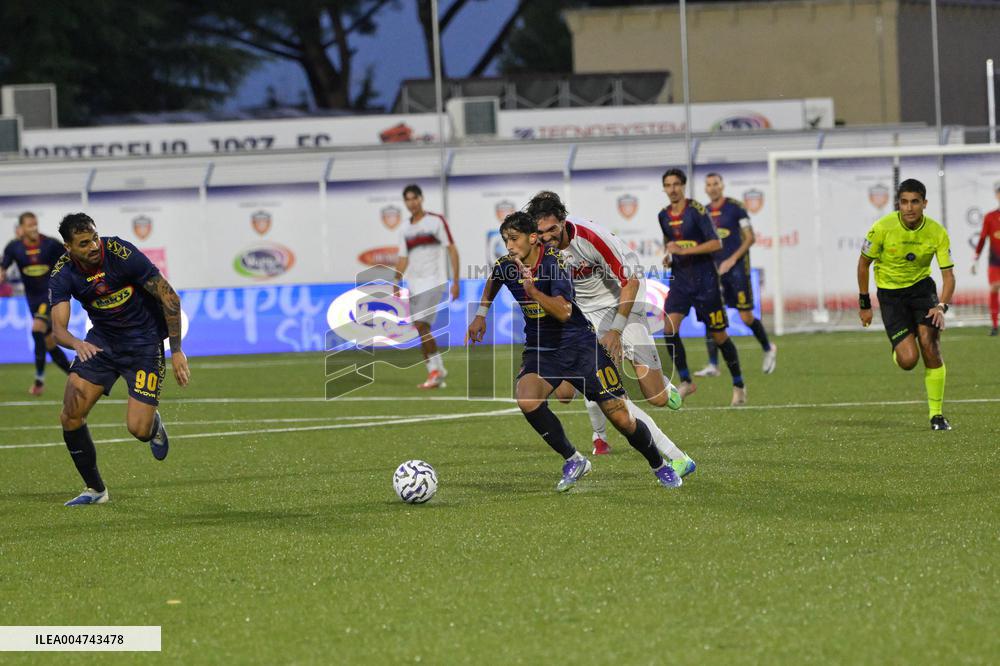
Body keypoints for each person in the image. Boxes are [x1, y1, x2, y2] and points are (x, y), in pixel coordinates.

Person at [467, 211, 682, 491]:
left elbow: (565, 312)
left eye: (514, 239)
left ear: (532, 239)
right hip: (541, 349)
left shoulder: (555, 264)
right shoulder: (508, 265)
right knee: (527, 399)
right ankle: (574, 459)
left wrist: (534, 293)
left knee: (621, 417)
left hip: (580, 346)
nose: (509, 246)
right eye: (505, 239)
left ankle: (659, 464)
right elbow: (494, 281)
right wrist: (481, 315)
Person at [526, 191, 695, 478]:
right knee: (588, 394)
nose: (546, 237)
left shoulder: (591, 238)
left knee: (654, 396)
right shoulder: (539, 249)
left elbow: (630, 281)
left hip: (623, 304)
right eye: (540, 232)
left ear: (563, 222)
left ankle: (664, 387)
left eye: (552, 229)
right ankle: (678, 458)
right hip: (584, 319)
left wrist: (616, 329)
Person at [49, 213, 191, 505]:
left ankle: (153, 426)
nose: (93, 246)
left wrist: (175, 350)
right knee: (70, 413)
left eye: (94, 238)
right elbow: (58, 329)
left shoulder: (121, 254)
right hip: (102, 343)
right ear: (69, 247)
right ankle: (95, 490)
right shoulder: (62, 272)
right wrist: (77, 343)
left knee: (138, 429)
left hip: (144, 344)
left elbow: (169, 297)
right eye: (84, 243)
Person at [857, 179, 954, 431]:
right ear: (898, 204)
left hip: (922, 292)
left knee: (930, 345)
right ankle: (900, 345)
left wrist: (941, 306)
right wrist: (864, 303)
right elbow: (863, 264)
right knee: (909, 360)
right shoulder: (881, 228)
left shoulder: (937, 232)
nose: (909, 208)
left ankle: (937, 415)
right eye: (904, 202)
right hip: (891, 296)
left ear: (924, 204)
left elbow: (948, 276)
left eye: (915, 202)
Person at [658, 168, 747, 406]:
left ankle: (739, 384)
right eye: (668, 185)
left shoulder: (697, 210)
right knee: (669, 328)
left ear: (683, 186)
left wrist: (685, 251)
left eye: (676, 184)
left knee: (719, 336)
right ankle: (686, 380)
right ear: (664, 188)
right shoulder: (663, 215)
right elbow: (670, 244)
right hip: (680, 282)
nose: (672, 189)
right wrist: (668, 256)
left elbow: (716, 243)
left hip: (705, 281)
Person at [692, 173, 777, 377]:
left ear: (722, 186)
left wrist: (731, 259)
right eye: (709, 184)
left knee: (746, 316)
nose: (712, 187)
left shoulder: (736, 207)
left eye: (716, 184)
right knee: (711, 314)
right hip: (715, 271)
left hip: (738, 269)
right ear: (705, 188)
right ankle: (713, 364)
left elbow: (750, 238)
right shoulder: (703, 212)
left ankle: (768, 348)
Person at [393, 184, 460, 389]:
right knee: (421, 328)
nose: (412, 203)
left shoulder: (436, 221)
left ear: (421, 199)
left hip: (434, 281)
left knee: (422, 325)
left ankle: (436, 370)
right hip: (414, 284)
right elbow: (403, 258)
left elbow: (452, 250)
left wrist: (456, 281)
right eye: (408, 200)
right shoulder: (404, 228)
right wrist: (396, 280)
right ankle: (436, 371)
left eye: (415, 198)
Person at [0, 212, 73, 394]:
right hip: (32, 299)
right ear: (21, 228)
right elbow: (3, 267)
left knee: (36, 328)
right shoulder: (14, 247)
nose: (34, 228)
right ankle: (76, 376)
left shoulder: (50, 244)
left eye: (35, 224)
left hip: (50, 295)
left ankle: (39, 382)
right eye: (30, 225)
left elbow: (71, 258)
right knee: (49, 342)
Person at [971, 183, 1000, 336]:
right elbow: (982, 238)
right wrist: (976, 257)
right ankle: (995, 325)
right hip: (995, 260)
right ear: (996, 195)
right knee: (994, 287)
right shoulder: (990, 216)